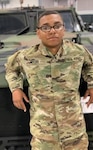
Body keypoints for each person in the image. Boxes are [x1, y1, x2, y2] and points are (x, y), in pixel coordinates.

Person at [5, 10, 93, 150]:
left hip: (74, 135)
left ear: (64, 29)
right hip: (43, 137)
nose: (52, 31)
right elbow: (11, 69)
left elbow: (90, 65)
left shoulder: (78, 52)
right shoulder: (26, 56)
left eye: (57, 26)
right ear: (38, 32)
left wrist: (91, 84)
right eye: (46, 27)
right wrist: (16, 88)